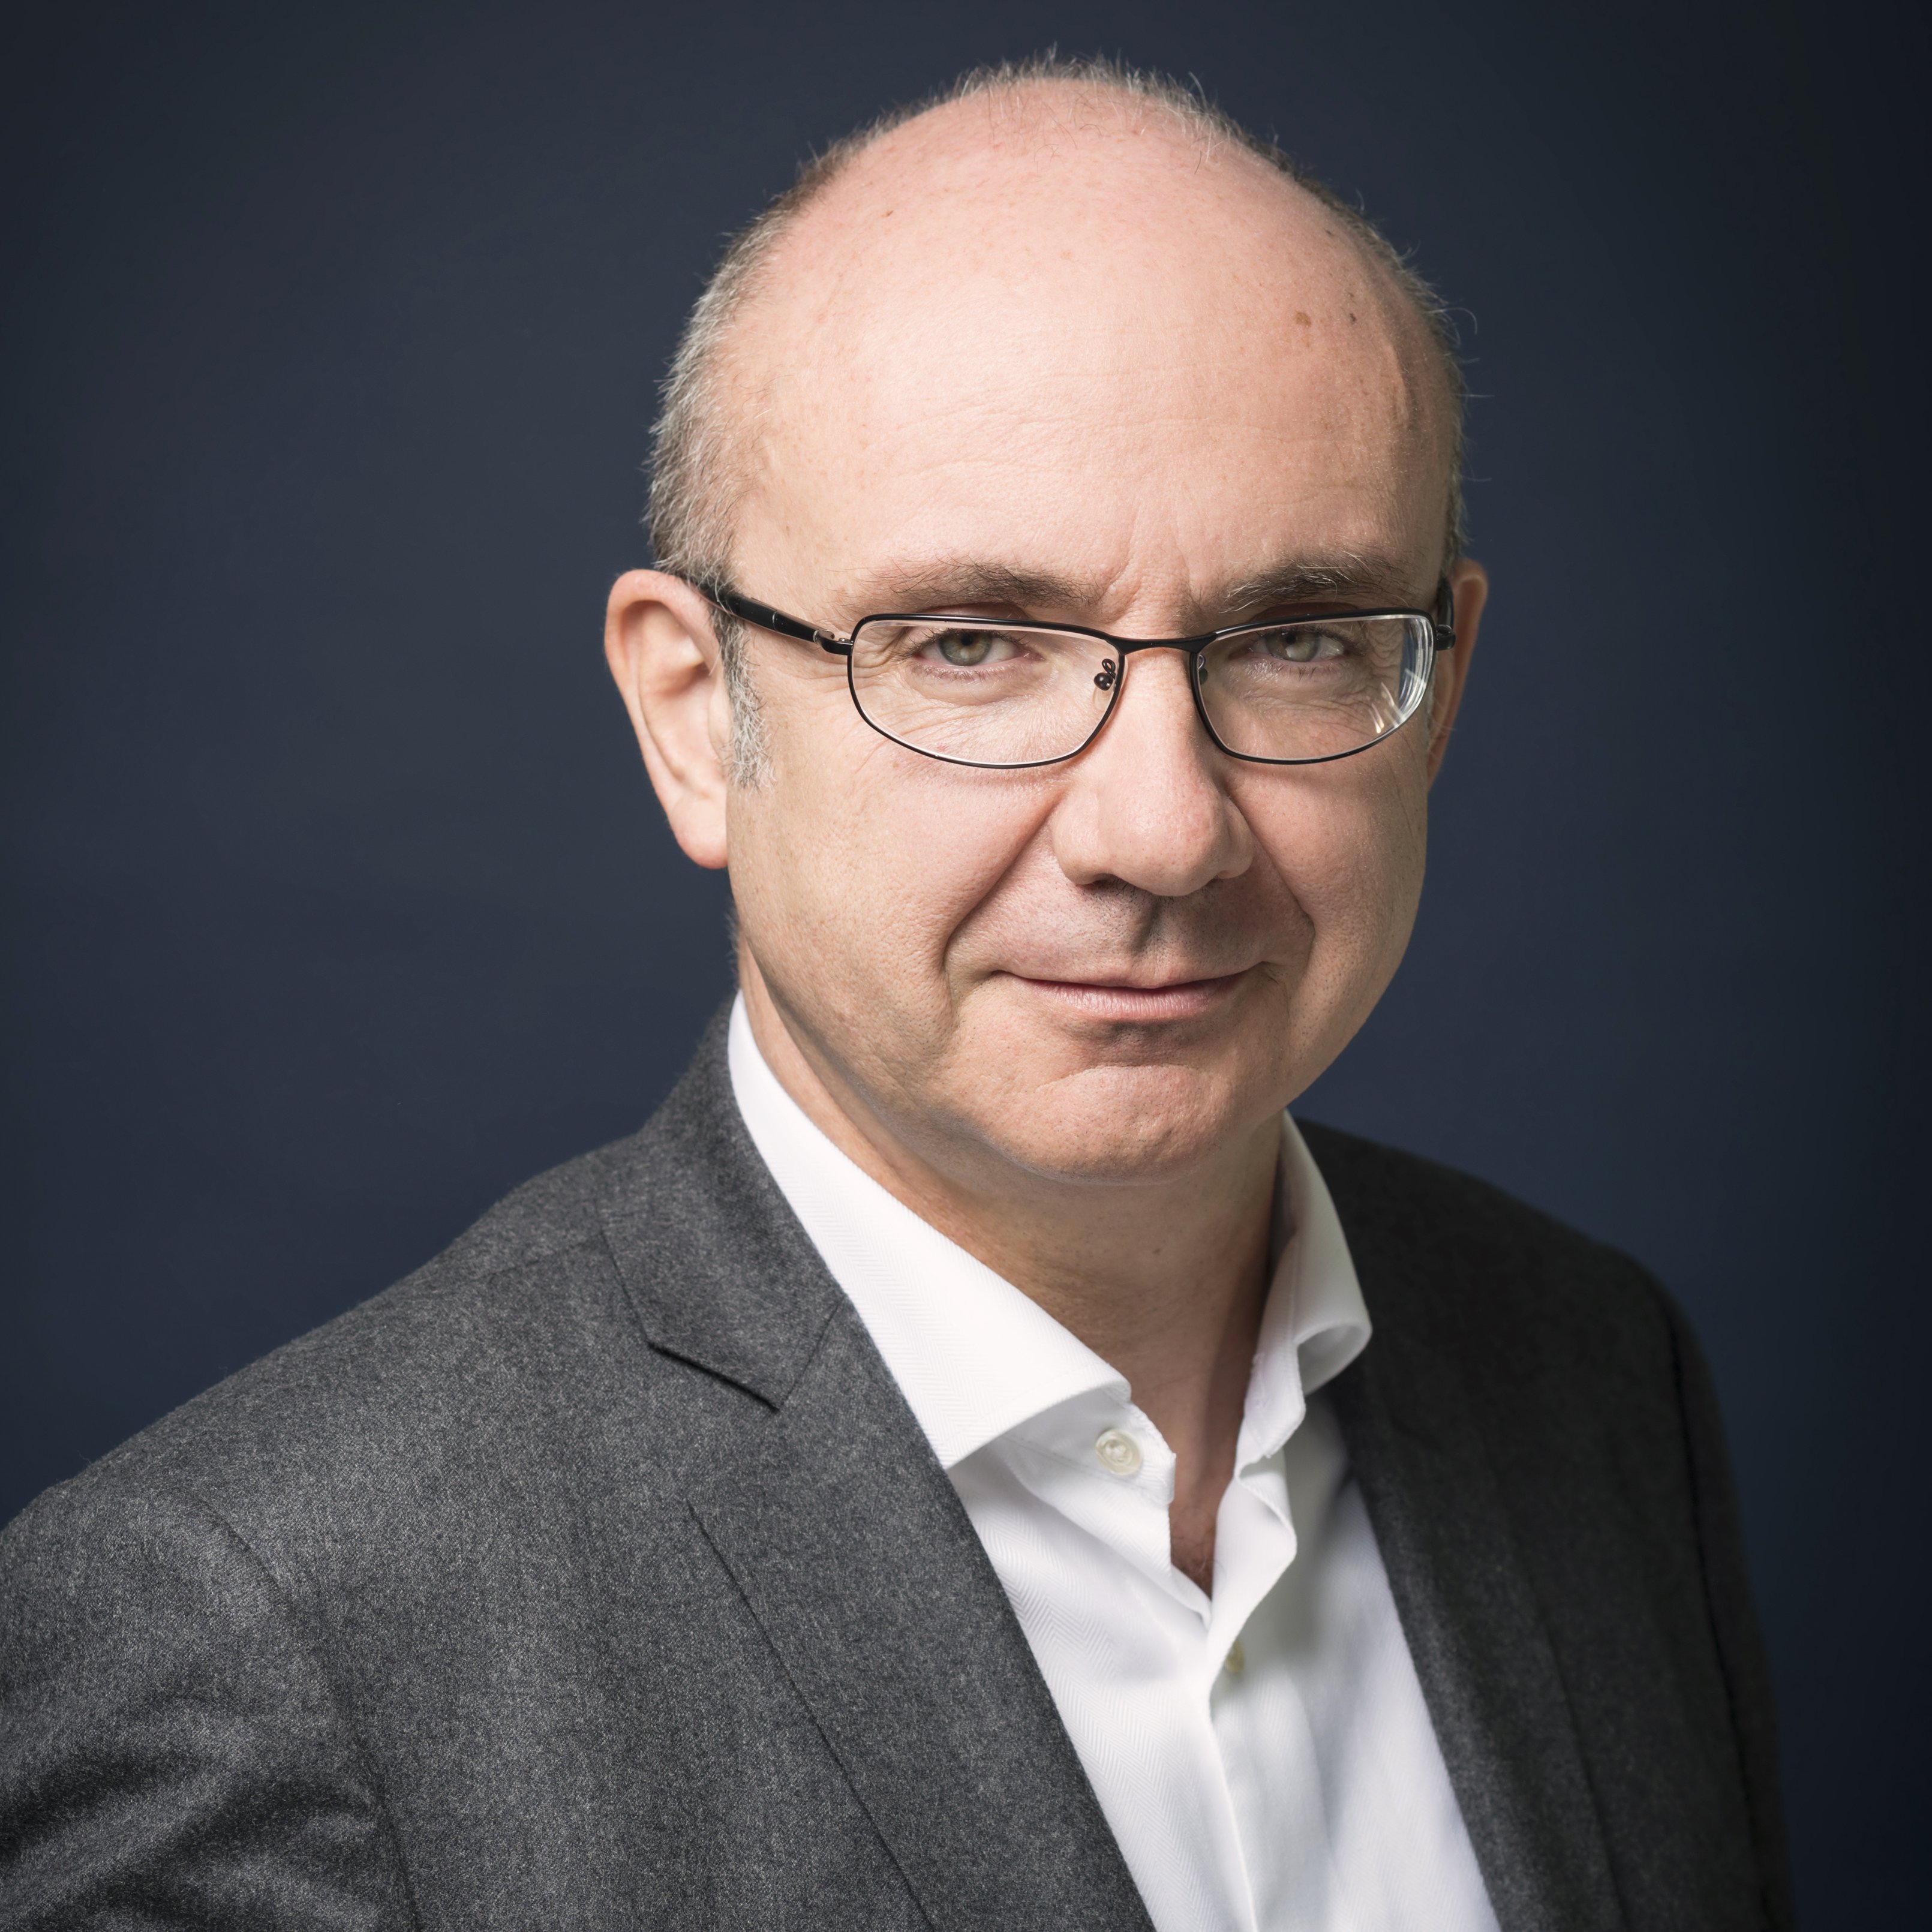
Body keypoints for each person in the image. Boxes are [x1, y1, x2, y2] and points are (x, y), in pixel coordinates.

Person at [0, 56, 1787, 1932]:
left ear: (1440, 693)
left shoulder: (1597, 1376)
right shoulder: (251, 1647)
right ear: (693, 715)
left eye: (1296, 641)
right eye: (972, 646)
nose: (1164, 831)